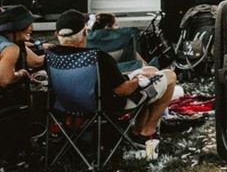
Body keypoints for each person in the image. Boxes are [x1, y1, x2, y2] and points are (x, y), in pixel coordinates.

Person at [49, 10, 177, 141]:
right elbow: (123, 90)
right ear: (85, 33)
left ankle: (138, 129)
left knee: (148, 73)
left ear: (56, 34)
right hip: (107, 106)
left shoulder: (50, 57)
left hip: (67, 106)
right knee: (169, 76)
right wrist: (136, 79)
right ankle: (147, 131)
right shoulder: (98, 57)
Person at [0, 5, 42, 90]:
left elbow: (35, 62)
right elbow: (5, 80)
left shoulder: (6, 42)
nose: (32, 29)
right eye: (28, 25)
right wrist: (21, 73)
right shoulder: (11, 49)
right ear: (17, 27)